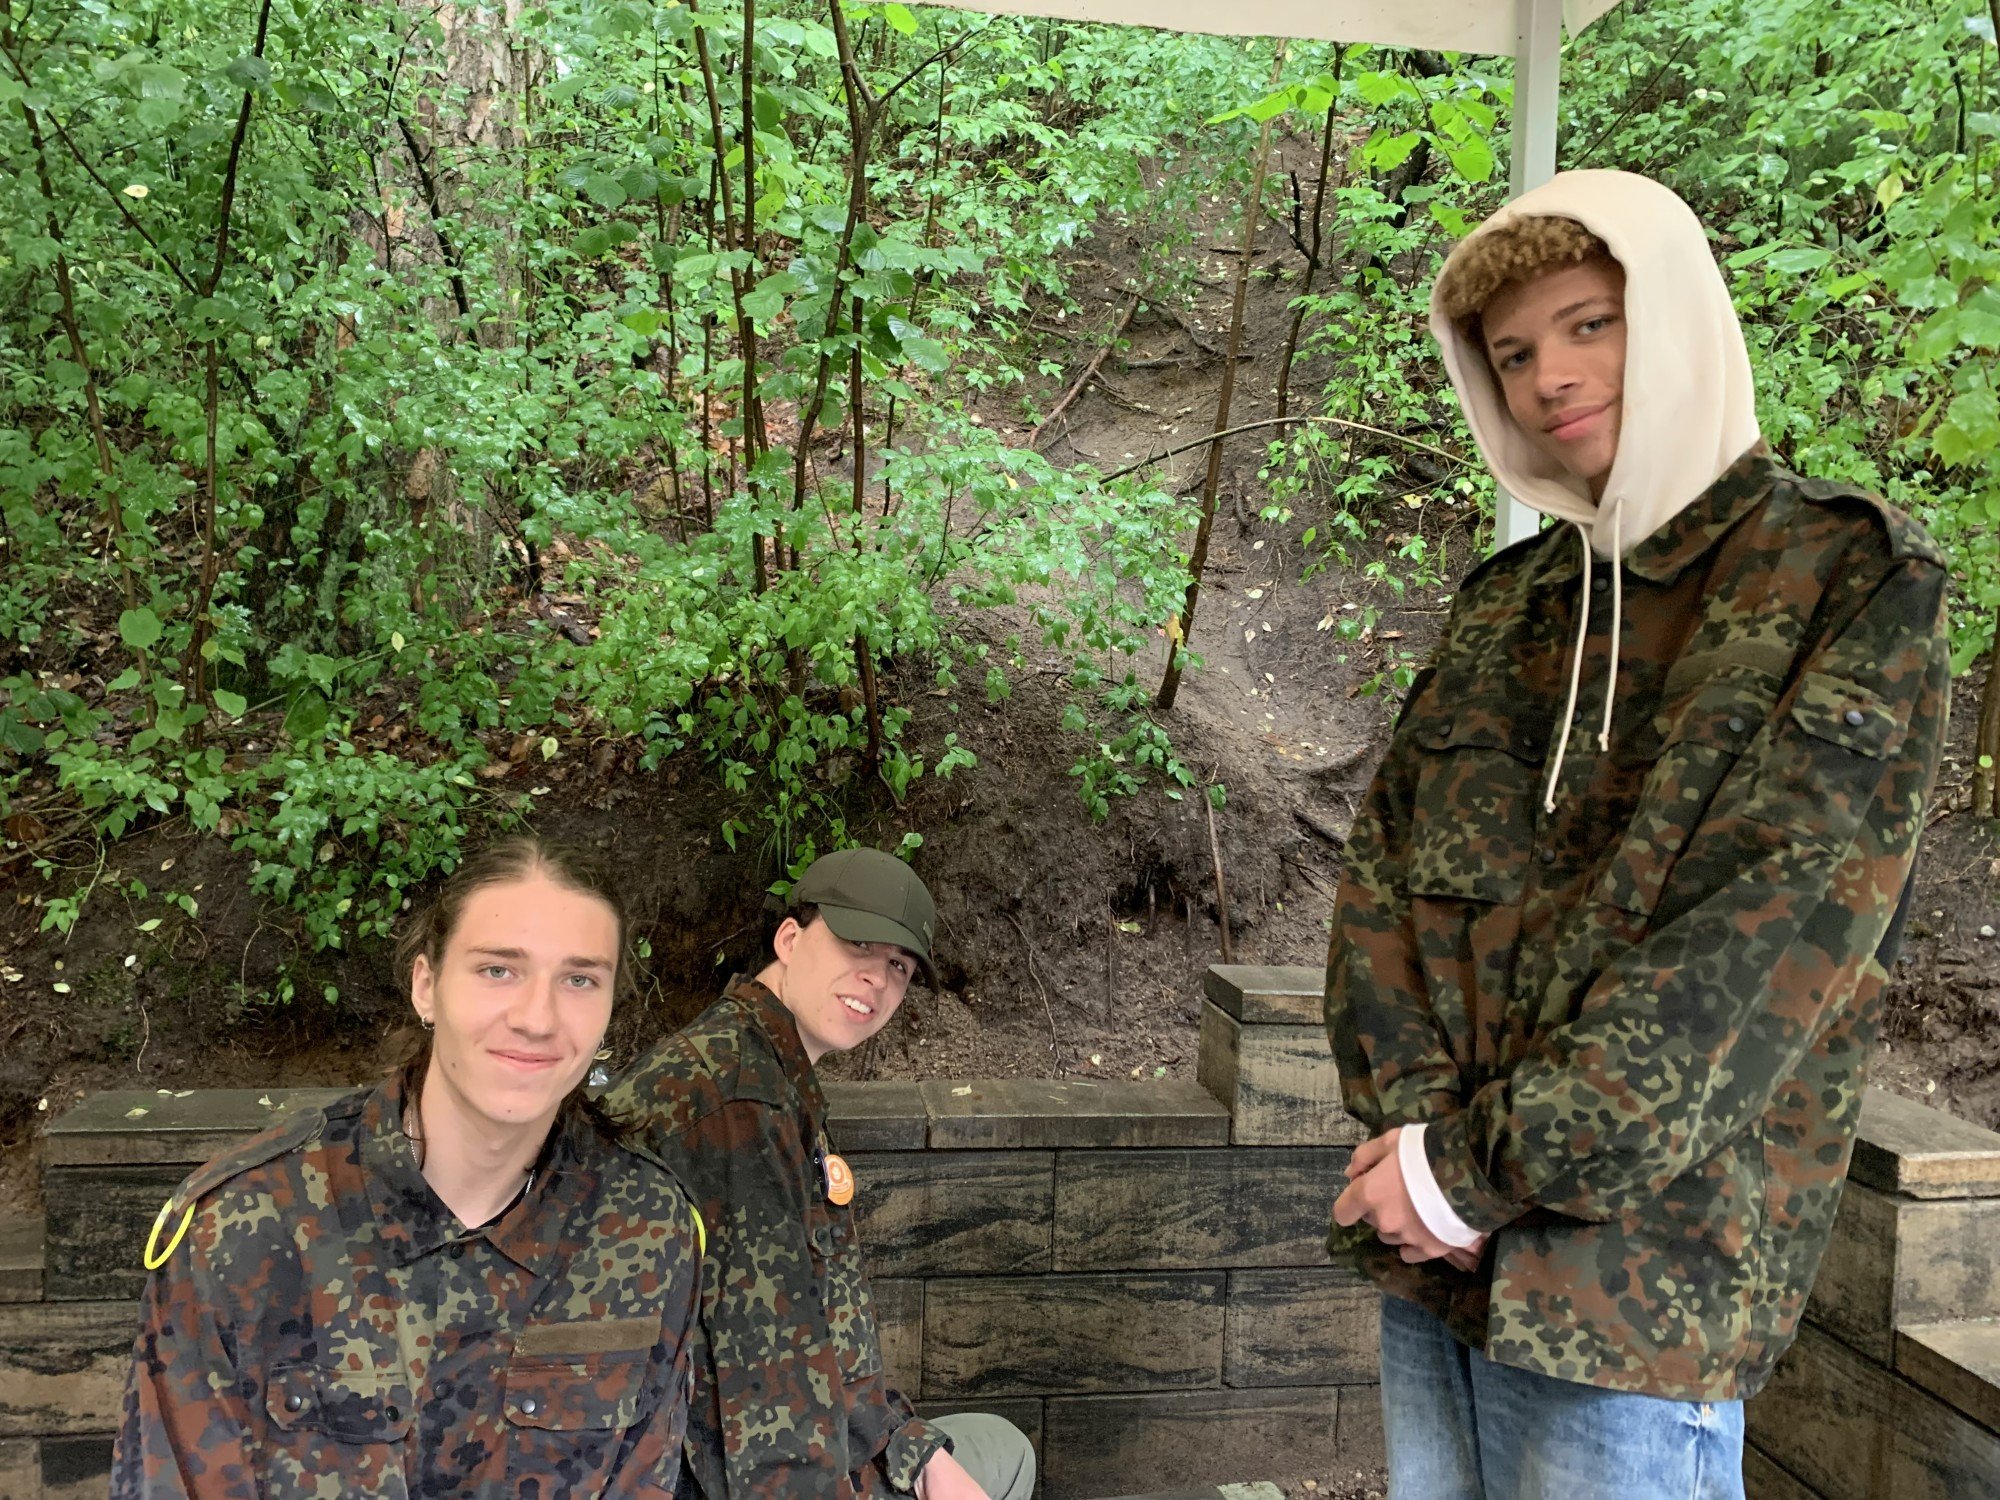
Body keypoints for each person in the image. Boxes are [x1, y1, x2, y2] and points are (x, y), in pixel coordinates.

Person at [1322, 169, 1950, 1499]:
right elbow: (1381, 894)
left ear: (1673, 318)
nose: (1547, 375)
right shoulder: (1508, 605)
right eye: (1511, 353)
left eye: (1589, 324)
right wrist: (1424, 1165)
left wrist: (1472, 1173)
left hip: (1638, 1289)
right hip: (1441, 1259)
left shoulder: (1843, 575)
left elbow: (1754, 952)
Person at [113, 837, 704, 1498]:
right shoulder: (246, 1223)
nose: (538, 1018)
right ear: (427, 985)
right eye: (498, 970)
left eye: (579, 980)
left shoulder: (645, 1227)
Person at [603, 847, 1036, 1500]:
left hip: (775, 1445)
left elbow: (815, 1331)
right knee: (1005, 1457)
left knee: (991, 1445)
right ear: (789, 939)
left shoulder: (752, 1065)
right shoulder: (738, 1109)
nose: (877, 979)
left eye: (899, 966)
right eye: (858, 944)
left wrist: (910, 1447)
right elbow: (764, 1405)